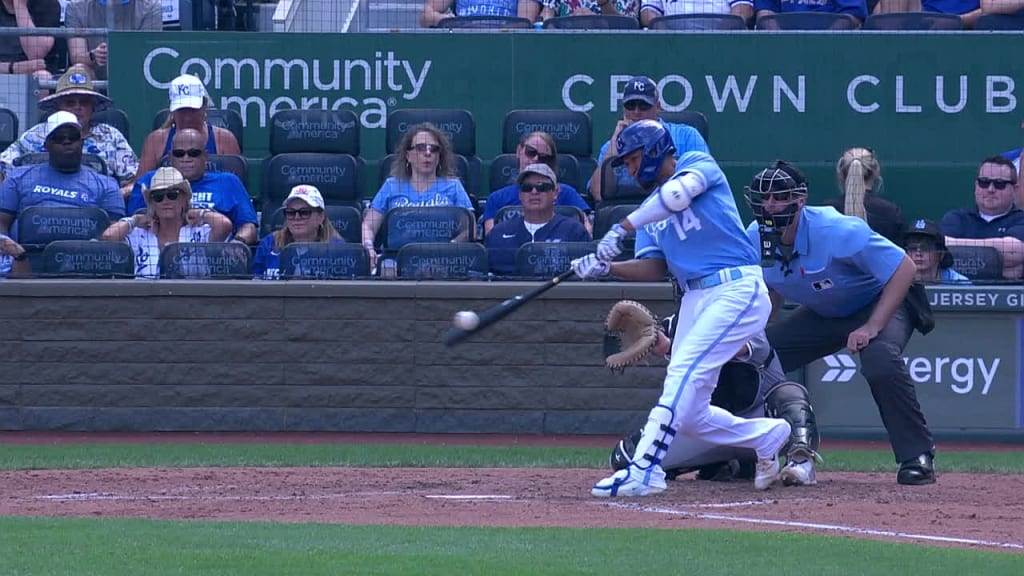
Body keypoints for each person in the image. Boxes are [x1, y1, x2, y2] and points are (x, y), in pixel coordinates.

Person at [570, 119, 792, 497]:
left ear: (656, 150)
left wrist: (619, 227)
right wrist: (607, 267)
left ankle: (645, 469)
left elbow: (676, 196)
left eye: (635, 159)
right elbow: (655, 267)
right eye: (625, 164)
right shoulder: (648, 215)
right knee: (689, 411)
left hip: (735, 286)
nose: (632, 170)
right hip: (695, 297)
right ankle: (767, 435)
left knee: (683, 375)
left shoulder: (697, 163)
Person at [743, 160, 937, 486]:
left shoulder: (838, 230)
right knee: (753, 358)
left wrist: (873, 327)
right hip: (824, 312)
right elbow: (770, 290)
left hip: (878, 302)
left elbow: (904, 268)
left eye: (778, 197)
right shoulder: (754, 236)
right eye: (764, 198)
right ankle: (739, 457)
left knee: (880, 361)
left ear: (800, 200)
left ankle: (916, 456)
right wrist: (752, 335)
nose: (769, 205)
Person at [608, 310, 820, 487]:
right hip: (711, 427)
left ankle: (801, 463)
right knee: (626, 457)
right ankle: (722, 462)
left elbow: (733, 348)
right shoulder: (675, 323)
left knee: (790, 393)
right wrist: (649, 343)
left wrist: (673, 347)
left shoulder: (744, 315)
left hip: (765, 423)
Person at [0, 65, 139, 196]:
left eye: (84, 102)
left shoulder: (111, 136)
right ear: (57, 107)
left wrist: (113, 197)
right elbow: (3, 168)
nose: (78, 108)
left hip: (95, 208)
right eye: (70, 103)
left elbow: (135, 180)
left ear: (93, 107)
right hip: (39, 207)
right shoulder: (35, 135)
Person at [360, 123, 474, 268]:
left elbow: (470, 228)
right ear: (408, 155)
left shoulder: (453, 186)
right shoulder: (392, 186)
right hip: (396, 260)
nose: (428, 153)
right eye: (420, 148)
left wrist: (451, 247)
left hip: (443, 262)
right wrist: (369, 248)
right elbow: (368, 225)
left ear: (439, 156)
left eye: (434, 149)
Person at [0, 111, 124, 236]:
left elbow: (115, 235)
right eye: (59, 138)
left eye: (73, 137)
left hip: (84, 254)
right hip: (24, 253)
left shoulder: (107, 184)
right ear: (46, 145)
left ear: (82, 143)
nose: (67, 142)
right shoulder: (18, 177)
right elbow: (1, 225)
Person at [588, 76, 709, 203]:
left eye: (643, 105)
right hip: (627, 212)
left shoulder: (688, 136)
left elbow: (703, 183)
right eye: (630, 105)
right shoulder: (610, 147)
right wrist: (615, 141)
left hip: (675, 208)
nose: (636, 112)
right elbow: (598, 194)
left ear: (657, 107)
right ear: (623, 109)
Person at [127, 128, 258, 244]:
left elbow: (248, 227)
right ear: (171, 157)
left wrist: (237, 243)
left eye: (193, 153)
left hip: (216, 251)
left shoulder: (228, 182)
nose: (186, 158)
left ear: (205, 156)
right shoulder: (151, 180)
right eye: (179, 154)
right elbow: (136, 224)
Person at [101, 167, 232, 279]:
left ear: (184, 198)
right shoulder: (139, 235)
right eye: (158, 197)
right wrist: (134, 219)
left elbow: (224, 225)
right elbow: (109, 237)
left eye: (172, 194)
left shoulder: (198, 232)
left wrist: (201, 213)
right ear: (152, 203)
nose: (165, 201)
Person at [485, 163, 591, 276]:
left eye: (542, 187)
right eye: (527, 187)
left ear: (555, 193)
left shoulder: (574, 231)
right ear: (520, 194)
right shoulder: (499, 232)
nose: (534, 192)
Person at [481, 131, 592, 237]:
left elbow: (586, 231)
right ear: (519, 151)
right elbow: (492, 239)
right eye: (530, 152)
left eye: (543, 157)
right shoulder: (497, 198)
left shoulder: (567, 193)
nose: (535, 159)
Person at [136, 74, 242, 178]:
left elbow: (236, 187)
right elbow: (141, 185)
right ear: (172, 110)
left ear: (204, 106)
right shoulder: (155, 141)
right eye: (182, 111)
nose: (187, 117)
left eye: (192, 110)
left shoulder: (224, 139)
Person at [940, 156, 1024, 280]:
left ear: (1014, 190)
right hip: (958, 293)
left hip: (1009, 295)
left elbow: (1013, 252)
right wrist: (1000, 261)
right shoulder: (956, 218)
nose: (990, 189)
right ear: (976, 186)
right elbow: (939, 253)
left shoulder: (1021, 219)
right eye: (984, 182)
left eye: (999, 184)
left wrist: (956, 247)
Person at [252, 184, 344, 280]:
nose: (296, 217)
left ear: (321, 217)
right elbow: (255, 284)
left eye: (304, 212)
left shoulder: (338, 249)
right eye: (290, 212)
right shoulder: (269, 243)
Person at [66, 0, 162, 80]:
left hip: (136, 73)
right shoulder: (76, 8)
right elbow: (77, 56)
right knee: (78, 70)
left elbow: (149, 53)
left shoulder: (151, 7)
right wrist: (94, 56)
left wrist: (121, 53)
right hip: (94, 78)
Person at [0, 0, 59, 79]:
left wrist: (20, 6)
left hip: (33, 72)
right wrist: (13, 68)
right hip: (4, 69)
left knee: (42, 76)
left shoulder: (48, 4)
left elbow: (36, 53)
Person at [904, 218, 970, 285]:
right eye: (913, 248)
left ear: (941, 254)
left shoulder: (959, 283)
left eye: (925, 248)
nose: (918, 254)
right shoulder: (897, 279)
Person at [640, 0, 754, 27]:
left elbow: (743, 9)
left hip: (723, 44)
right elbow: (648, 12)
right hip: (672, 43)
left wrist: (718, 38)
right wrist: (670, 38)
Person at [420, 0, 524, 26]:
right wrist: (442, 19)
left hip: (505, 44)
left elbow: (524, 24)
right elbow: (425, 16)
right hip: (463, 42)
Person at [755, 0, 868, 23]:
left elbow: (852, 16)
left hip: (832, 48)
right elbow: (766, 17)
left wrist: (819, 43)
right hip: (784, 47)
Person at [536, 0, 640, 19]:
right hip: (565, 46)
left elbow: (627, 29)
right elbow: (547, 14)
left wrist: (605, 4)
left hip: (609, 49)